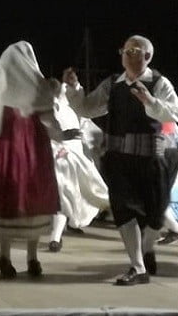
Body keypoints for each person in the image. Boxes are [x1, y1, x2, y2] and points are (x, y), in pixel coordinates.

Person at [64, 35, 178, 286]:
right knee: (124, 210)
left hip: (152, 158)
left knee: (155, 217)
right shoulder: (112, 84)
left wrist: (150, 101)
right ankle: (137, 266)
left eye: (134, 50)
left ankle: (147, 249)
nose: (127, 54)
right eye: (125, 50)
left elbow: (175, 113)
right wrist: (74, 89)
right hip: (119, 159)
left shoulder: (159, 82)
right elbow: (87, 108)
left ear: (147, 56)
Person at [0, 42, 61, 279]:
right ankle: (32, 259)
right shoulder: (39, 86)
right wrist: (62, 136)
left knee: (8, 199)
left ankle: (4, 257)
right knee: (32, 199)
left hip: (4, 150)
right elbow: (49, 121)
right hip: (33, 150)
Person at [48, 82, 110, 252]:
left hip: (66, 160)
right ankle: (55, 235)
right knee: (61, 198)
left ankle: (56, 237)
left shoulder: (69, 111)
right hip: (57, 159)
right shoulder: (53, 109)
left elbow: (78, 136)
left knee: (63, 198)